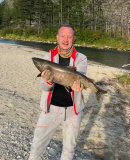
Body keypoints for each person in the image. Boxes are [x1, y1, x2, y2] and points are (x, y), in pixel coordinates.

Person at [29, 24, 87, 160]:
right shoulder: (48, 56)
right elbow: (44, 87)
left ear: (74, 38)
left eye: (69, 36)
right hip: (50, 109)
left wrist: (80, 86)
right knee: (37, 145)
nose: (66, 39)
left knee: (69, 149)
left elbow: (81, 78)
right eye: (63, 36)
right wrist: (48, 81)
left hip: (74, 110)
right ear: (57, 37)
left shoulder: (81, 58)